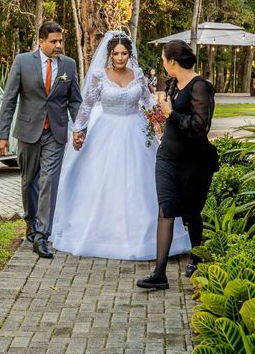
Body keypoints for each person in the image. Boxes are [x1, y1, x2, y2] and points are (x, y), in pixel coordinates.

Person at [50, 32, 191, 260]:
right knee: (102, 182)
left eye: (124, 53)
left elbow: (146, 101)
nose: (119, 58)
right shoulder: (99, 76)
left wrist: (160, 122)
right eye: (115, 53)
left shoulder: (137, 75)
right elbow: (86, 106)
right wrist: (78, 131)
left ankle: (144, 237)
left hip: (135, 131)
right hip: (106, 131)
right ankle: (100, 233)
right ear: (109, 55)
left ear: (130, 54)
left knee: (138, 182)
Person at [137, 40, 218, 290]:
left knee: (192, 213)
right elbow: (170, 118)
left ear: (172, 61)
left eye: (163, 59)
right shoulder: (172, 84)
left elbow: (199, 127)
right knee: (166, 211)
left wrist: (171, 113)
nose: (162, 64)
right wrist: (159, 119)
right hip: (167, 159)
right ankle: (159, 274)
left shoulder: (201, 87)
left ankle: (196, 256)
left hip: (195, 163)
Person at [0, 21, 83, 258]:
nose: (58, 46)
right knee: (29, 181)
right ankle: (31, 222)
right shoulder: (23, 61)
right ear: (41, 42)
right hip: (28, 131)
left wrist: (79, 126)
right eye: (53, 41)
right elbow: (9, 100)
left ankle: (42, 235)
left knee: (49, 181)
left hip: (55, 132)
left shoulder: (69, 65)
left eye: (60, 41)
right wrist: (2, 134)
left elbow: (75, 99)